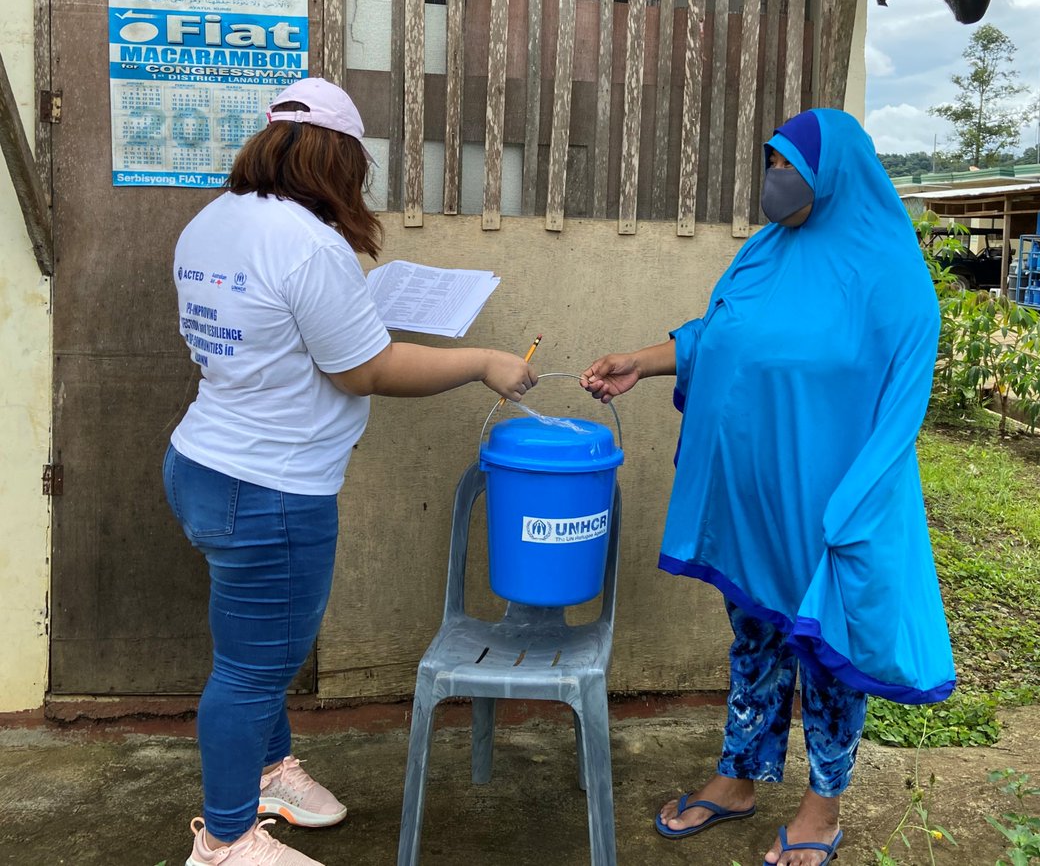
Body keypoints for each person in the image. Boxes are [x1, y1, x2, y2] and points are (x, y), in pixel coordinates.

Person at [165, 77, 537, 866]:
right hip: (271, 490)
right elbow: (363, 370)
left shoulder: (213, 221)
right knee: (250, 668)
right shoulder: (308, 243)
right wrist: (483, 363)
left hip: (202, 465)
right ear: (335, 158)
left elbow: (271, 332)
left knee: (248, 649)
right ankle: (227, 840)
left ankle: (269, 772)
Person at [581, 109, 955, 866]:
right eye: (772, 161)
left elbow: (900, 414)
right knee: (754, 636)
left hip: (828, 509)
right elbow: (721, 337)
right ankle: (739, 778)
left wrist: (855, 515)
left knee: (824, 652)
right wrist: (644, 362)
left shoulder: (893, 278)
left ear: (836, 171)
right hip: (751, 503)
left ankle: (822, 809)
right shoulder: (766, 252)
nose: (775, 178)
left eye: (790, 164)